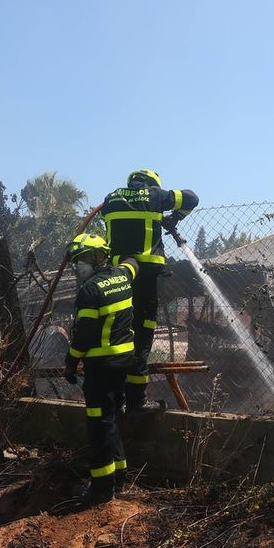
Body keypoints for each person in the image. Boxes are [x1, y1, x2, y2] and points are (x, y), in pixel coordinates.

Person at [100, 168, 199, 413]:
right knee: (142, 338)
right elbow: (191, 198)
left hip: (117, 278)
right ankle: (137, 402)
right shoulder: (154, 195)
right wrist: (175, 217)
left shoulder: (110, 198)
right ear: (151, 183)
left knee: (120, 337)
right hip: (144, 278)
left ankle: (117, 399)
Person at [62, 233, 139, 506]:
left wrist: (71, 361)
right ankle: (119, 476)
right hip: (123, 363)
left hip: (101, 367)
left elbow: (83, 335)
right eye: (76, 261)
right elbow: (134, 263)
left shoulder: (90, 290)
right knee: (113, 418)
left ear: (97, 257)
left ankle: (102, 489)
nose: (78, 266)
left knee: (99, 425)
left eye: (82, 259)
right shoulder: (122, 276)